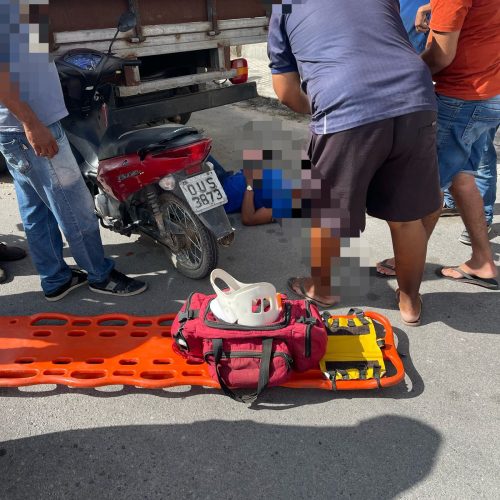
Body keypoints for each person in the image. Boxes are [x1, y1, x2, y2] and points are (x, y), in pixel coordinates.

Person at [268, 0, 441, 326]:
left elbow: (286, 92)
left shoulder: (286, 6)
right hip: (414, 95)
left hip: (344, 95)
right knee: (407, 217)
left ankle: (322, 290)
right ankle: (410, 303)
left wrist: (325, 106)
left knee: (325, 212)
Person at [0, 2, 147, 300]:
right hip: (31, 126)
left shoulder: (26, 5)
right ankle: (100, 274)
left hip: (27, 124)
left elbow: (37, 51)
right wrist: (32, 124)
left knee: (36, 209)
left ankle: (55, 278)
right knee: (74, 205)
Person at [378, 0, 500, 290]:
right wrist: (430, 8)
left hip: (462, 99)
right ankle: (483, 260)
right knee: (461, 176)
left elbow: (441, 57)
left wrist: (402, 77)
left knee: (430, 184)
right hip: (487, 92)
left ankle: (408, 265)